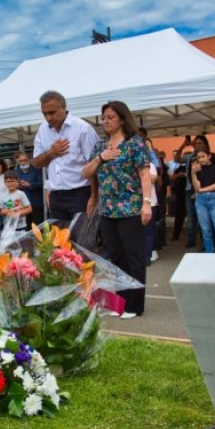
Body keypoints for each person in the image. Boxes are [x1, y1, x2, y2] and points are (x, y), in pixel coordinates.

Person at [81, 101, 151, 320]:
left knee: (134, 258)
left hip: (130, 208)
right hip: (108, 210)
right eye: (104, 118)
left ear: (122, 118)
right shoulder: (101, 147)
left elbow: (144, 174)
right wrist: (101, 159)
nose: (106, 121)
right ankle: (121, 302)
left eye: (110, 117)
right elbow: (87, 173)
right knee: (116, 259)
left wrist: (146, 202)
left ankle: (135, 305)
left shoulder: (134, 143)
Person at [32, 90, 99, 226]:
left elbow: (94, 164)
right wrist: (50, 153)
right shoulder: (42, 130)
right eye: (44, 113)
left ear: (63, 108)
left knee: (81, 239)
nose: (48, 118)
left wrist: (94, 196)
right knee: (59, 242)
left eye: (52, 112)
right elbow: (36, 163)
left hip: (80, 193)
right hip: (56, 195)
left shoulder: (82, 128)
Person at [16, 152, 44, 231]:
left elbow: (42, 184)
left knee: (38, 228)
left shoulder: (36, 169)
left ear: (29, 160)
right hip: (23, 205)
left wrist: (30, 184)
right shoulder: (17, 171)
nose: (23, 162)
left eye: (25, 160)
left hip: (36, 204)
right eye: (21, 161)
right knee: (26, 228)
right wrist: (18, 185)